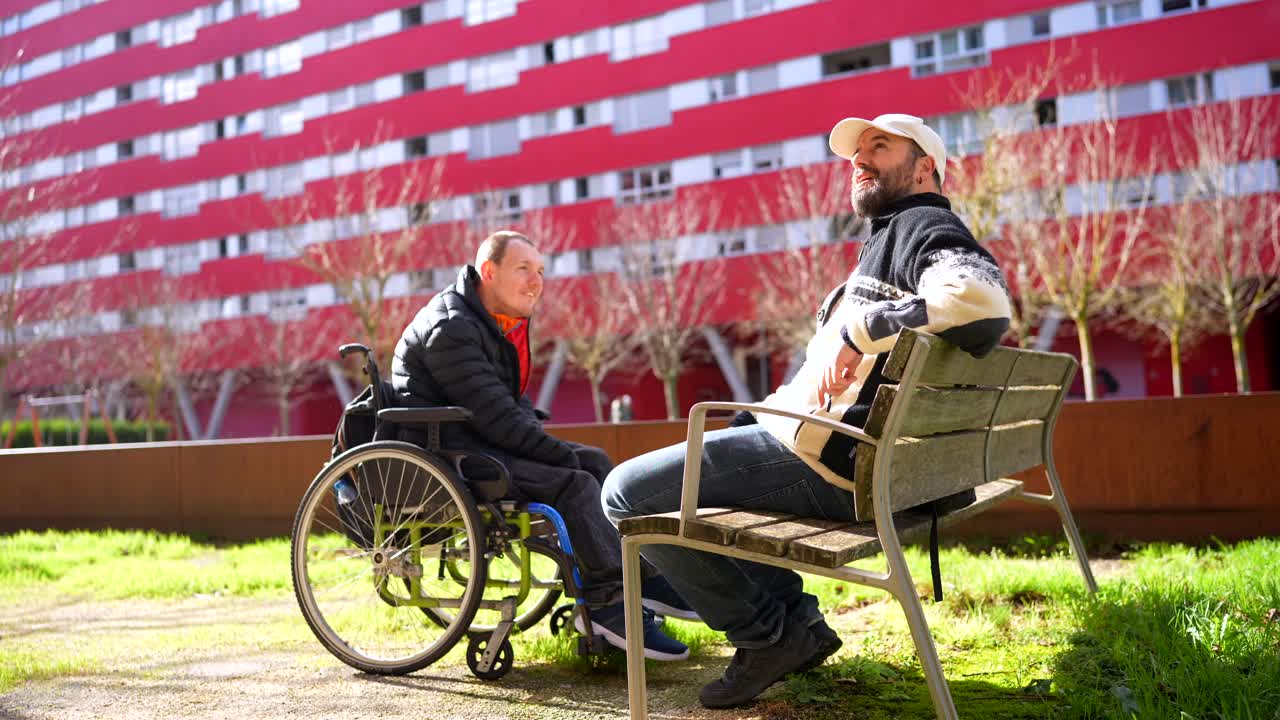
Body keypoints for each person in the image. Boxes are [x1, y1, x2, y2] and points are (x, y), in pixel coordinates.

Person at [601, 114, 1013, 707]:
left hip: (834, 462)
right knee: (682, 479)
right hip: (845, 455)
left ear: (925, 168)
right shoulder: (888, 240)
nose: (860, 159)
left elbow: (982, 301)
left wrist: (861, 331)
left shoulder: (924, 224)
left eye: (880, 146)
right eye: (856, 152)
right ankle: (796, 625)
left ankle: (769, 634)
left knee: (624, 494)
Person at [391, 230, 695, 660]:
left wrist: (558, 449)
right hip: (450, 456)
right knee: (575, 481)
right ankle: (609, 605)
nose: (536, 281)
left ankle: (641, 577)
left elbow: (507, 407)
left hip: (478, 442)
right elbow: (495, 416)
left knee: (595, 462)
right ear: (489, 271)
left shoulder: (486, 322)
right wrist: (556, 452)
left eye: (540, 271)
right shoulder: (451, 327)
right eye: (523, 269)